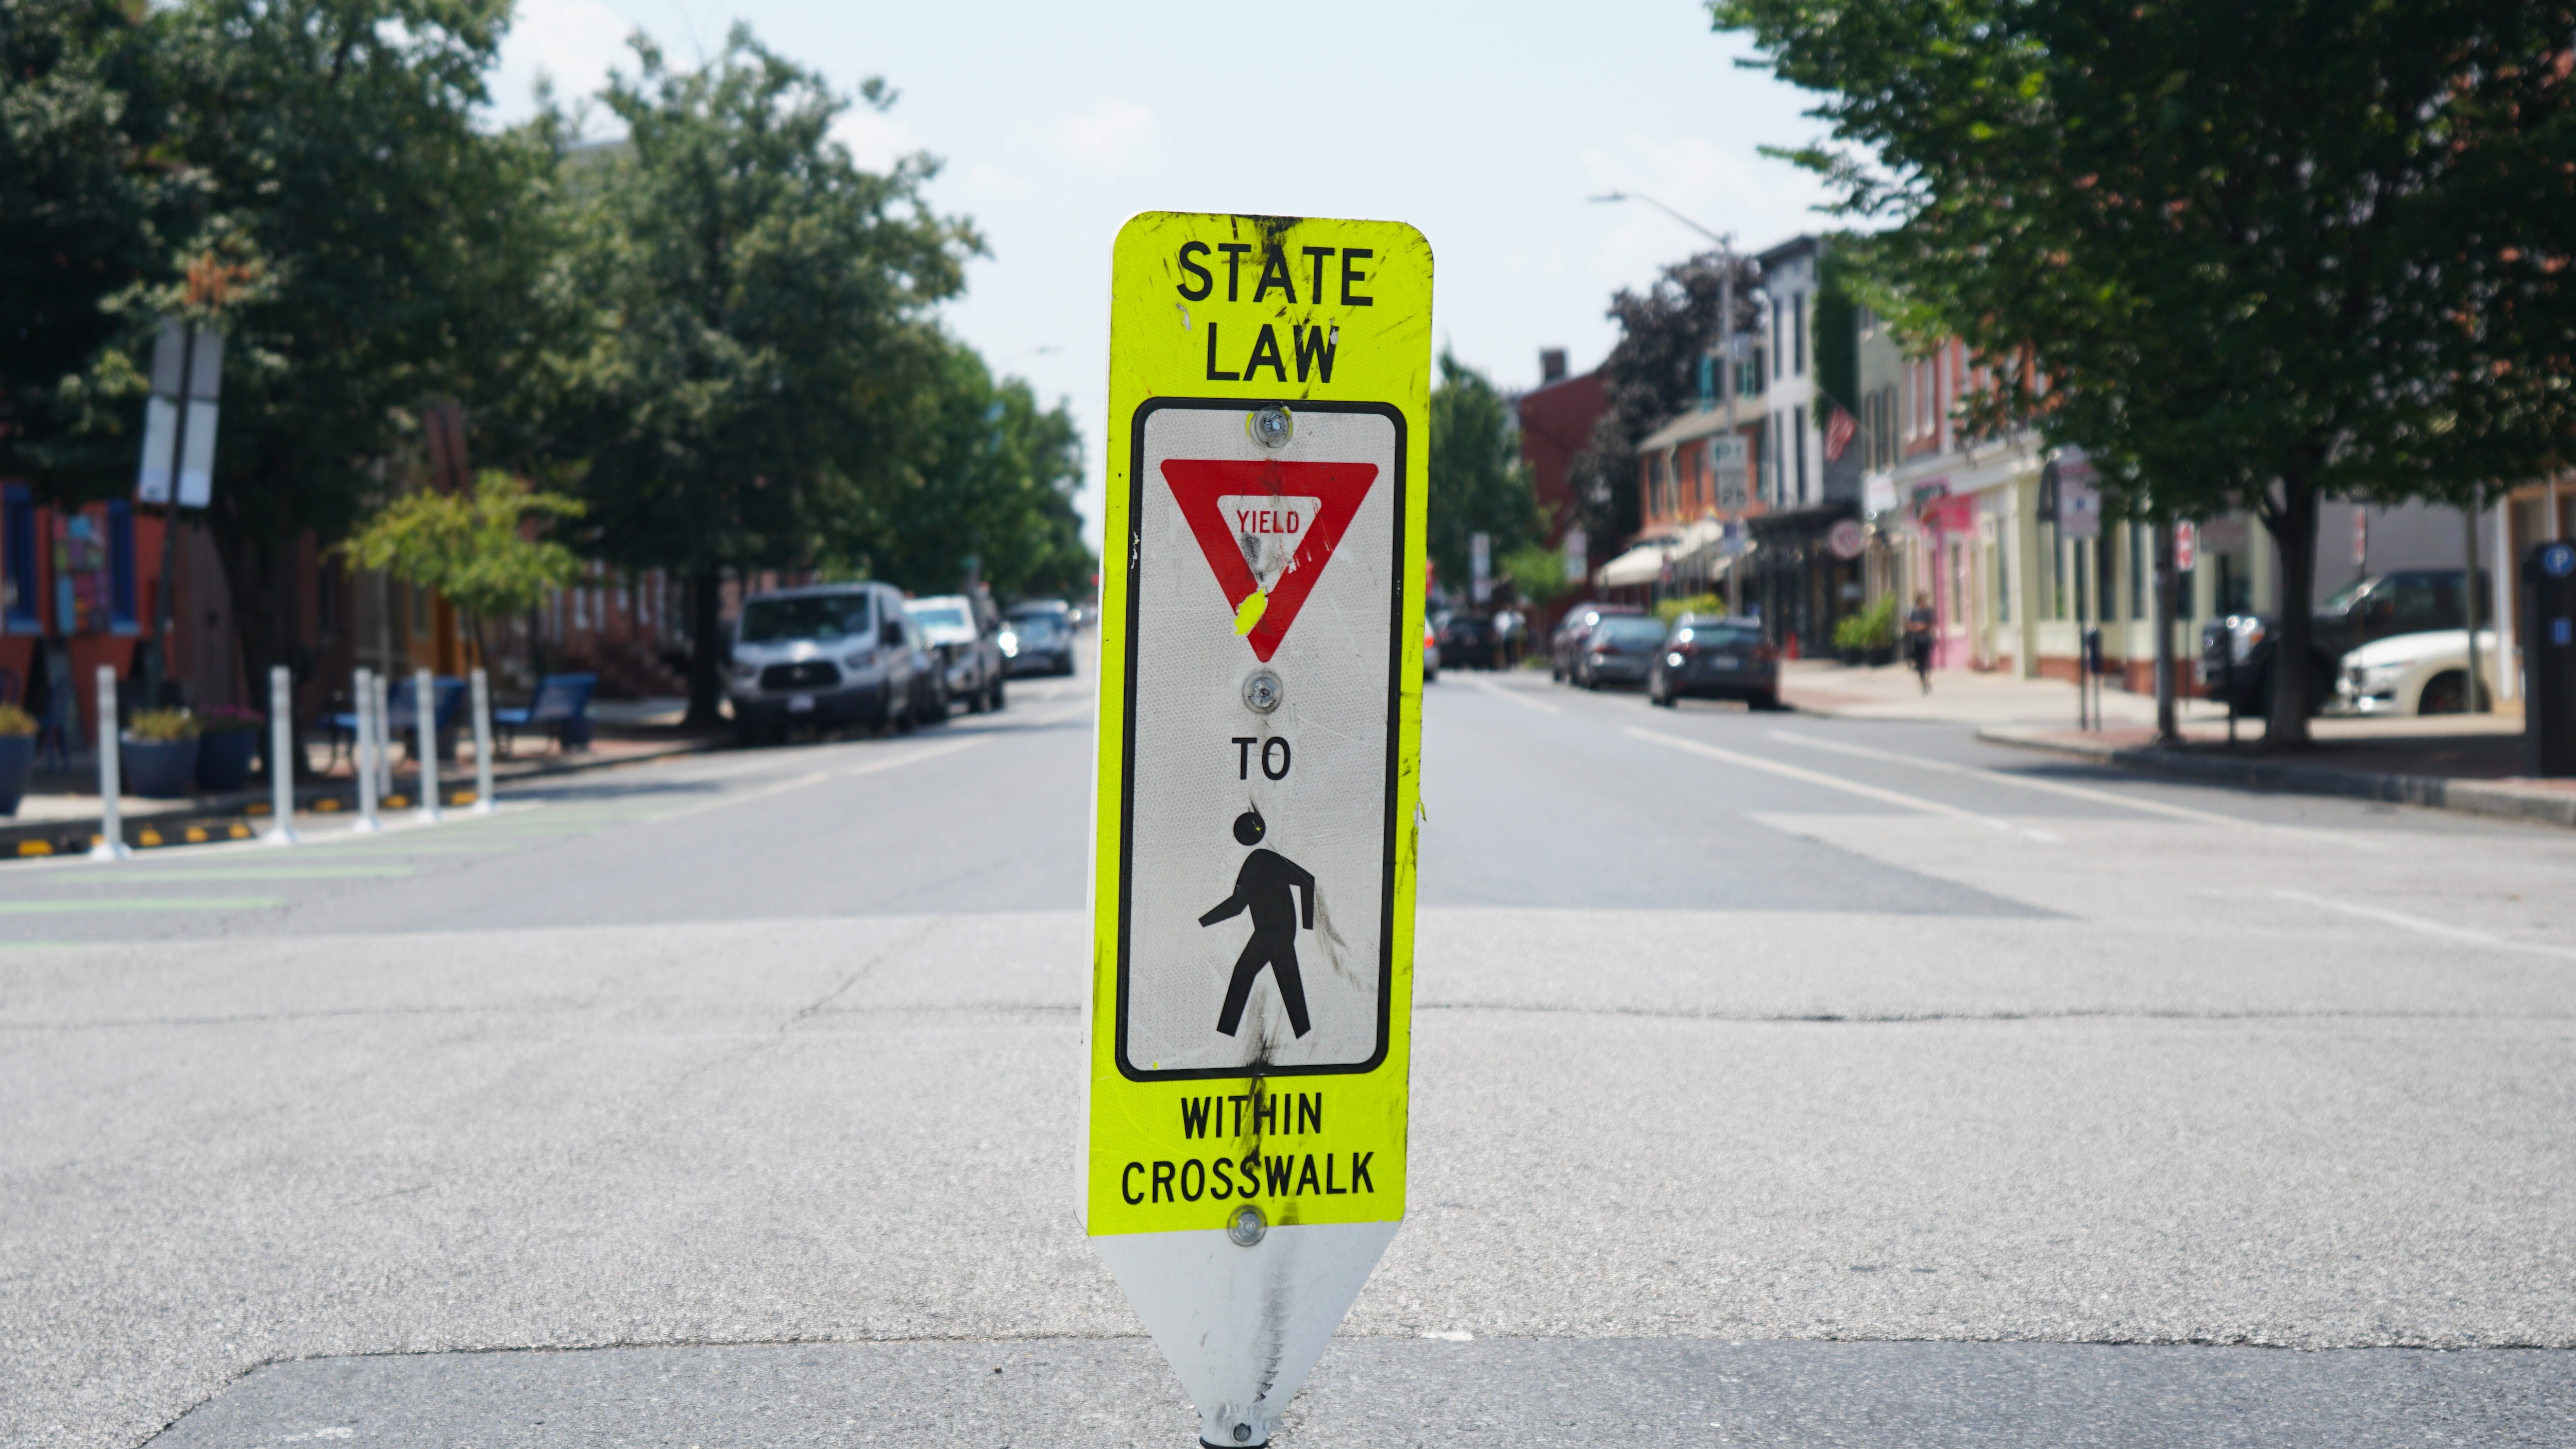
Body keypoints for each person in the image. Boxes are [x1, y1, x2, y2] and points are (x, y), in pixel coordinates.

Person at [1199, 809, 1317, 1038]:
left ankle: (1225, 1033)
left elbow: (1307, 881)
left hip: (1271, 934)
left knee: (1244, 974)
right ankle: (1304, 1033)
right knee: (1288, 982)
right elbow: (1238, 905)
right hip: (1277, 933)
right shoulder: (1260, 859)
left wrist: (1308, 925)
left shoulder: (1259, 860)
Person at [1904, 591, 1937, 694]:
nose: (1924, 602)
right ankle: (1923, 682)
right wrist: (1918, 626)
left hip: (1926, 640)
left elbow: (1928, 626)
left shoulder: (1928, 612)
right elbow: (1909, 625)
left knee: (1927, 662)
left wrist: (1918, 626)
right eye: (1923, 600)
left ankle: (1927, 679)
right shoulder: (1914, 612)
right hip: (1917, 641)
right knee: (1920, 663)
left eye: (1925, 600)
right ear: (1918, 601)